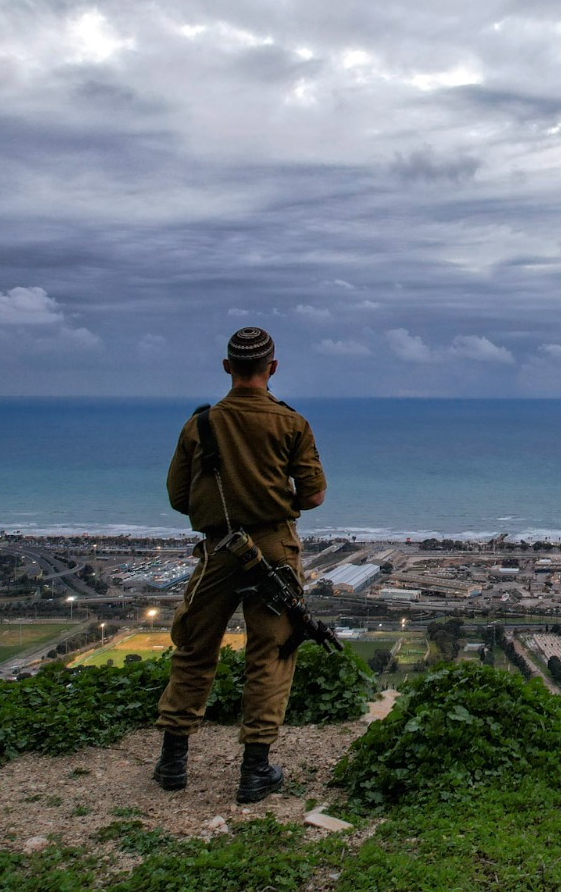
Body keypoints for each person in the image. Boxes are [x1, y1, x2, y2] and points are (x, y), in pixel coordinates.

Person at [153, 327, 327, 802]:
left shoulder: (201, 425)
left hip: (218, 550)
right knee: (270, 653)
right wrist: (273, 500)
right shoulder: (292, 424)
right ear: (272, 368)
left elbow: (178, 497)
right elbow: (312, 494)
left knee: (194, 648)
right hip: (274, 549)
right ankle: (254, 771)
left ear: (228, 367)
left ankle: (173, 762)